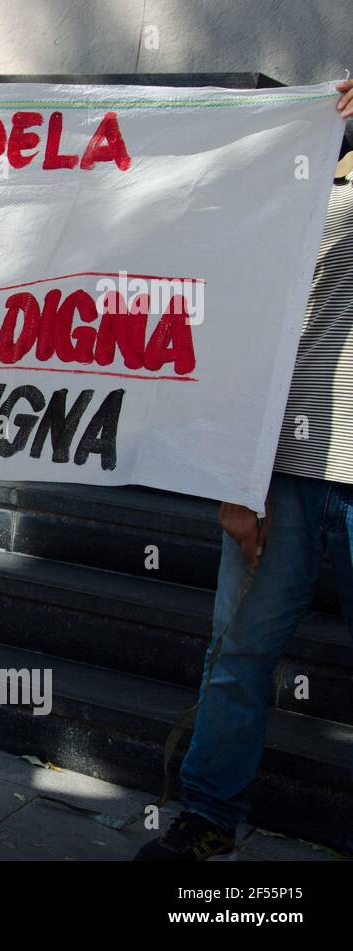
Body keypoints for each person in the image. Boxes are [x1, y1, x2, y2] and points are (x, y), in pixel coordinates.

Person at [136, 81, 353, 861]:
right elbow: (249, 329)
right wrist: (236, 478)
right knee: (237, 653)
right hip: (284, 467)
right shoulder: (301, 178)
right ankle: (207, 817)